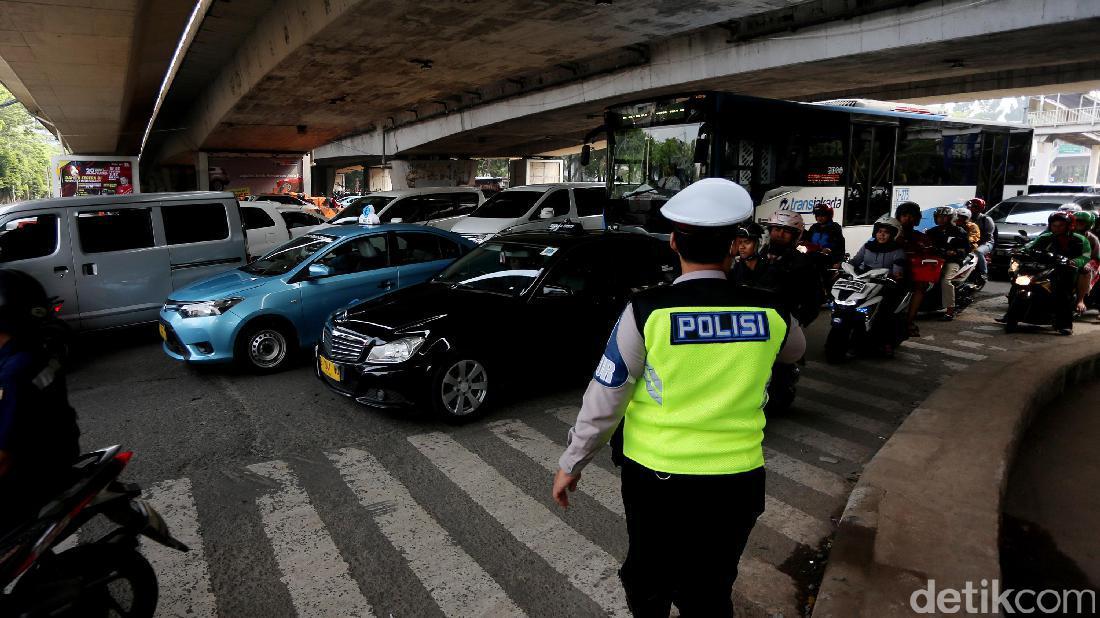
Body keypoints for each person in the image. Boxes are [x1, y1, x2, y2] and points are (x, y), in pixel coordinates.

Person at [552, 178, 806, 616]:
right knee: (710, 586)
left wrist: (571, 463)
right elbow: (795, 351)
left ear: (673, 242)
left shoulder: (646, 311)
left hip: (658, 479)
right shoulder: (771, 310)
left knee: (649, 579)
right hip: (738, 479)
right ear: (733, 247)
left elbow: (607, 395)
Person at [0, 270, 80, 533]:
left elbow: (5, 455)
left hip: (33, 473)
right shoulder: (35, 350)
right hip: (58, 451)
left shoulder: (16, 370)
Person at [848, 215, 907, 355]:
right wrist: (844, 266)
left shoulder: (897, 250)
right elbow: (856, 261)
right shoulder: (868, 246)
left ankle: (887, 343)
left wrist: (895, 276)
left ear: (893, 234)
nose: (882, 235)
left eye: (886, 232)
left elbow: (898, 271)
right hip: (865, 282)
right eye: (880, 231)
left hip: (886, 285)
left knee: (886, 312)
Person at [763, 210, 823, 326]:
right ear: (770, 231)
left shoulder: (803, 263)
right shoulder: (758, 255)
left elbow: (814, 299)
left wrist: (796, 321)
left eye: (786, 231)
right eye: (777, 229)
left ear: (795, 235)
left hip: (785, 324)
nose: (780, 235)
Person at [895, 201, 934, 337]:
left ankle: (909, 320)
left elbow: (927, 255)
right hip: (887, 271)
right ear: (898, 217)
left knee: (921, 285)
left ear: (916, 218)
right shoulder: (889, 232)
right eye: (904, 215)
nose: (907, 219)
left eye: (911, 216)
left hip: (910, 273)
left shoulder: (921, 237)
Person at [925, 206, 970, 321]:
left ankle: (950, 310)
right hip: (934, 260)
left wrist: (954, 252)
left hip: (951, 261)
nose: (940, 219)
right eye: (938, 217)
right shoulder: (931, 232)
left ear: (951, 218)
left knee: (946, 281)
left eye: (944, 217)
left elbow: (965, 249)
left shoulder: (959, 231)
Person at [1073, 210, 1100, 313]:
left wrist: (1087, 264)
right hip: (1069, 260)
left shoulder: (1092, 238)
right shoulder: (1065, 233)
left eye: (1081, 222)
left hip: (1090, 261)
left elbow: (1096, 257)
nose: (1078, 224)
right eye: (1076, 221)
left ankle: (1080, 300)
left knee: (1085, 270)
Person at [966, 198, 995, 281]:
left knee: (978, 251)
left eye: (973, 207)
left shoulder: (986, 219)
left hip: (986, 243)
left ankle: (984, 273)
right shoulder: (966, 219)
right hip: (970, 241)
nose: (970, 209)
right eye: (969, 207)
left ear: (979, 208)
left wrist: (975, 243)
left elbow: (988, 235)